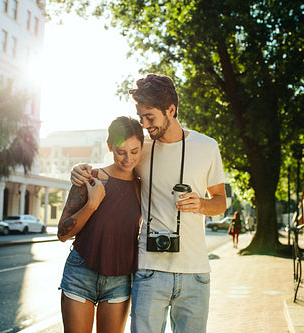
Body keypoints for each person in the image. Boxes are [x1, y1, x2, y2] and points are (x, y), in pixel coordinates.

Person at [71, 73, 227, 333]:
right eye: (140, 117)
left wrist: (200, 204)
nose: (144, 125)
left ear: (171, 110)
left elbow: (220, 202)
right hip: (149, 271)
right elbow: (110, 170)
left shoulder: (207, 147)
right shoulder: (140, 148)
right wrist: (78, 169)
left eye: (150, 117)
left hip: (196, 272)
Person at [57, 116, 144, 333]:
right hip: (81, 273)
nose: (127, 159)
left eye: (134, 151)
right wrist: (92, 204)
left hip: (120, 279)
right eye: (120, 151)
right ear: (109, 147)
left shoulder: (143, 187)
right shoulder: (90, 179)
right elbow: (62, 233)